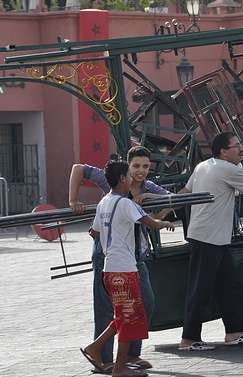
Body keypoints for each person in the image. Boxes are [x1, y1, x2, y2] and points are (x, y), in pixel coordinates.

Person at [70, 146, 172, 373]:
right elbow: (78, 169)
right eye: (136, 166)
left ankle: (125, 354)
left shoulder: (141, 189)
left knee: (142, 304)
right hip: (114, 260)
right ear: (125, 171)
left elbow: (173, 200)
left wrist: (149, 203)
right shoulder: (117, 194)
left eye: (146, 166)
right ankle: (106, 359)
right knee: (114, 310)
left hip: (132, 259)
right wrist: (73, 200)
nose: (141, 171)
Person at [178, 131, 243, 351]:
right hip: (208, 237)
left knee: (229, 284)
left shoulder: (205, 165)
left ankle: (234, 332)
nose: (241, 148)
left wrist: (163, 210)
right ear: (224, 152)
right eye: (236, 146)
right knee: (200, 289)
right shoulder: (226, 168)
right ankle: (189, 339)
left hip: (213, 238)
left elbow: (185, 192)